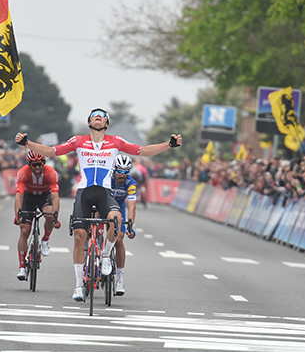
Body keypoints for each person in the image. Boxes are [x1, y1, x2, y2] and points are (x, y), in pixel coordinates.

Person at [15, 107, 182, 301]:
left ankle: (104, 255)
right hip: (84, 192)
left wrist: (168, 145)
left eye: (102, 116)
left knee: (116, 218)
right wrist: (28, 144)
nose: (98, 118)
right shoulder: (78, 141)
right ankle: (78, 286)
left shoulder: (116, 142)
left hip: (104, 192)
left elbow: (143, 151)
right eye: (94, 116)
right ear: (89, 122)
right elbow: (51, 151)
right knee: (79, 238)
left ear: (106, 124)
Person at [14, 151, 61, 281]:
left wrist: (55, 217)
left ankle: (45, 239)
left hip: (44, 197)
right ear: (29, 164)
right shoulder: (23, 172)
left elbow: (55, 196)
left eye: (39, 164)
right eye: (34, 165)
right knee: (24, 231)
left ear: (43, 163)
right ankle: (22, 267)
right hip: (28, 198)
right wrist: (18, 215)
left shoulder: (51, 172)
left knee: (49, 215)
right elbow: (19, 195)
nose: (37, 167)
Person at [110, 154, 137, 296]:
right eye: (119, 171)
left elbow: (131, 207)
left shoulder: (130, 183)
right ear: (113, 169)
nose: (122, 175)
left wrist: (130, 227)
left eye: (126, 172)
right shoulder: (107, 178)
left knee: (119, 240)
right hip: (104, 205)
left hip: (119, 207)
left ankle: (120, 279)